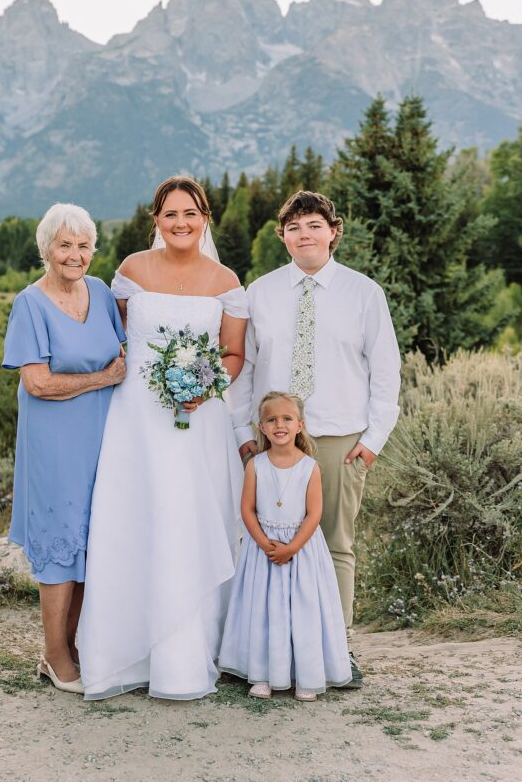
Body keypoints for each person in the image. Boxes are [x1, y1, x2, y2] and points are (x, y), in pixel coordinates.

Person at [78, 176, 248, 701]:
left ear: (205, 219)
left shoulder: (226, 280)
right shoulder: (130, 272)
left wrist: (201, 385)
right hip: (137, 419)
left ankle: (188, 655)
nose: (181, 223)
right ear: (156, 219)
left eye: (190, 213)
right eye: (170, 213)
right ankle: (126, 654)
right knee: (135, 519)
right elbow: (117, 338)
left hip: (199, 422)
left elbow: (232, 356)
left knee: (190, 519)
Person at [228, 191, 400, 686]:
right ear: (281, 235)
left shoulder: (364, 293)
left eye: (314, 225)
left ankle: (335, 651)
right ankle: (268, 653)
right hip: (271, 441)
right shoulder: (258, 293)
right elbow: (245, 370)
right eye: (294, 226)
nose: (304, 233)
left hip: (339, 438)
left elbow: (386, 371)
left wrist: (371, 443)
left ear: (333, 231)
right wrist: (245, 435)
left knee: (332, 546)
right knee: (265, 543)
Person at [2, 203, 126, 694]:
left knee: (91, 541)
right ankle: (55, 655)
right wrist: (103, 378)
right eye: (64, 245)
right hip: (54, 441)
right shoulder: (29, 304)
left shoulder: (100, 292)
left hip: (104, 436)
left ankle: (73, 647)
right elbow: (38, 383)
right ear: (47, 249)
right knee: (60, 542)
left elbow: (126, 351)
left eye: (83, 246)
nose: (75, 255)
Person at [219, 391, 351, 699]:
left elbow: (315, 513)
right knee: (264, 610)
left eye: (287, 419)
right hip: (263, 550)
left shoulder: (310, 467)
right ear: (262, 427)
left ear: (300, 425)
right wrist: (265, 544)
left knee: (302, 611)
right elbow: (247, 509)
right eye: (271, 419)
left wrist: (291, 548)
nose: (280, 424)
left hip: (301, 551)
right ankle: (262, 673)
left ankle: (305, 676)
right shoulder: (256, 465)